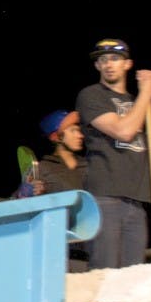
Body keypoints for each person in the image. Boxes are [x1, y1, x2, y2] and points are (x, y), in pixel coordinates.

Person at [76, 38, 151, 270]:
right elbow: (124, 131)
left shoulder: (137, 102)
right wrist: (145, 96)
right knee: (106, 271)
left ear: (127, 64)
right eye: (103, 60)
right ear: (97, 66)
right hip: (105, 196)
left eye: (115, 59)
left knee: (133, 274)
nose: (109, 64)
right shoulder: (91, 96)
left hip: (137, 199)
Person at [36, 109, 89, 271]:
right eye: (73, 130)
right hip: (58, 254)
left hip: (92, 250)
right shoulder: (42, 169)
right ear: (56, 136)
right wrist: (32, 193)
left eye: (79, 130)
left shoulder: (91, 165)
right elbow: (19, 201)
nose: (80, 135)